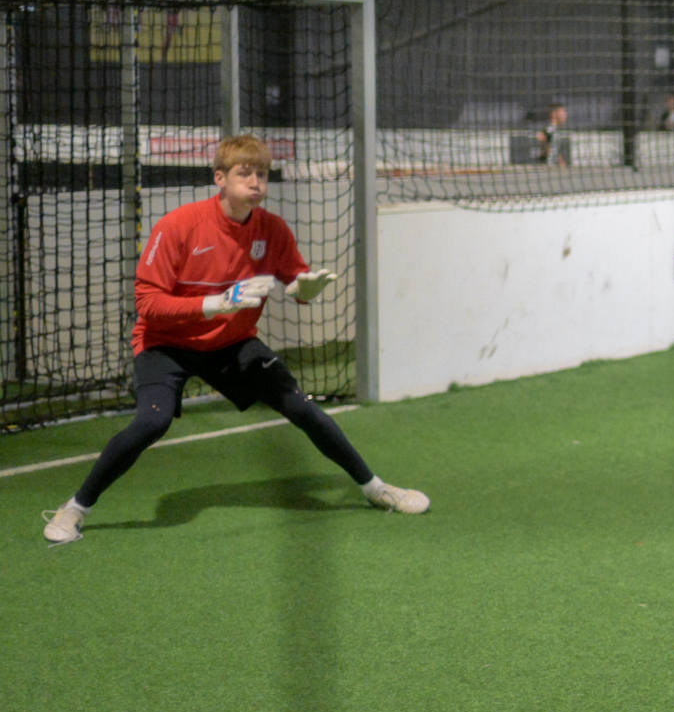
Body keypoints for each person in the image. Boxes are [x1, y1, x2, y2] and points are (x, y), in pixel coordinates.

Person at [41, 136, 430, 546]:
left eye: (262, 173)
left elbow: (296, 282)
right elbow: (148, 304)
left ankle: (376, 489)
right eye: (245, 173)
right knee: (152, 421)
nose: (256, 182)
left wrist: (306, 289)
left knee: (301, 406)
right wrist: (217, 303)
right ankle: (75, 508)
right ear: (220, 178)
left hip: (232, 344)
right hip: (166, 345)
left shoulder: (273, 229)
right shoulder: (178, 225)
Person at [535, 101, 569, 166]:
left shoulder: (555, 130)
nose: (565, 115)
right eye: (562, 112)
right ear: (554, 114)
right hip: (547, 167)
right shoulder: (550, 129)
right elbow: (541, 137)